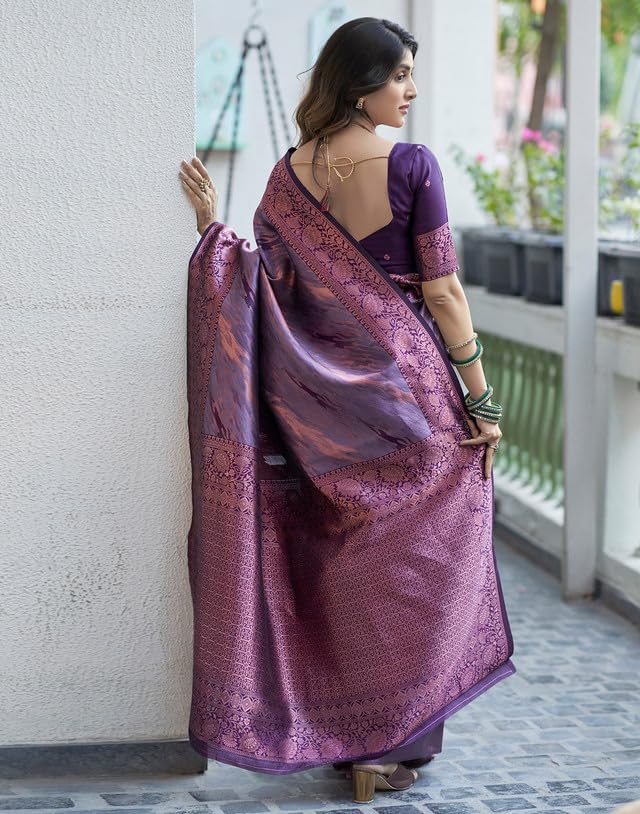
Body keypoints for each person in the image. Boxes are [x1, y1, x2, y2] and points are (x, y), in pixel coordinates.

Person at [178, 16, 515, 804]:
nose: (411, 89)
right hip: (413, 403)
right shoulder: (412, 166)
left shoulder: (287, 176)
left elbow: (265, 289)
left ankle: (355, 742)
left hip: (324, 424)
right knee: (422, 570)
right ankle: (388, 749)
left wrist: (210, 231)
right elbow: (443, 292)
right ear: (361, 84)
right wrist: (480, 399)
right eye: (399, 75)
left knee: (351, 571)